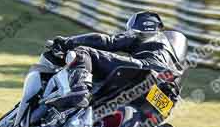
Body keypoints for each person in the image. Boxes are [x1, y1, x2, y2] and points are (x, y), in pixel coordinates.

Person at [48, 11, 183, 109]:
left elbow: (108, 42)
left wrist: (67, 42)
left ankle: (79, 92)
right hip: (167, 93)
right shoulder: (167, 52)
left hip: (144, 69)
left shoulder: (145, 35)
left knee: (83, 52)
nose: (128, 32)